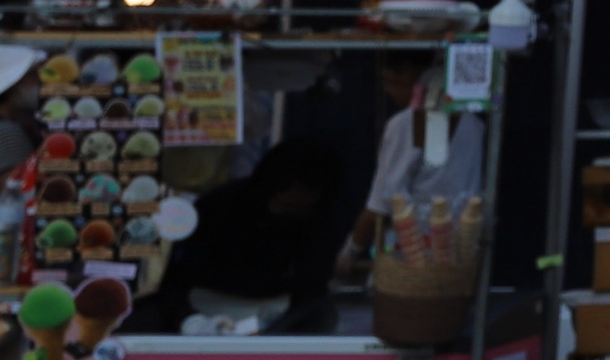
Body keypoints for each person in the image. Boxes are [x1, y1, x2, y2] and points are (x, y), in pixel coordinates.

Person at [156, 137, 346, 330]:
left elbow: (312, 287)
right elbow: (176, 279)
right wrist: (189, 320)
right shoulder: (219, 206)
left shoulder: (321, 222)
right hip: (208, 304)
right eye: (286, 205)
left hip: (280, 310)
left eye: (301, 208)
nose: (293, 211)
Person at [337, 54, 486, 287]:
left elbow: (383, 202)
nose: (387, 90)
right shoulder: (474, 124)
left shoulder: (405, 124)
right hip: (461, 258)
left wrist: (350, 251)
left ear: (407, 73)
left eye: (388, 81)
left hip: (413, 258)